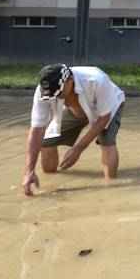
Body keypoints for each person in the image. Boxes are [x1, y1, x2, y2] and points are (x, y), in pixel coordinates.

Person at [21, 64, 125, 197]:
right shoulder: (44, 91)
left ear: (70, 80)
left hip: (108, 108)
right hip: (76, 111)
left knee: (106, 141)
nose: (55, 97)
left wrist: (78, 149)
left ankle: (111, 189)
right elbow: (36, 130)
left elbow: (105, 117)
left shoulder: (97, 80)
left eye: (58, 92)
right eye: (52, 94)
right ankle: (50, 181)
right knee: (46, 143)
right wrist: (29, 171)